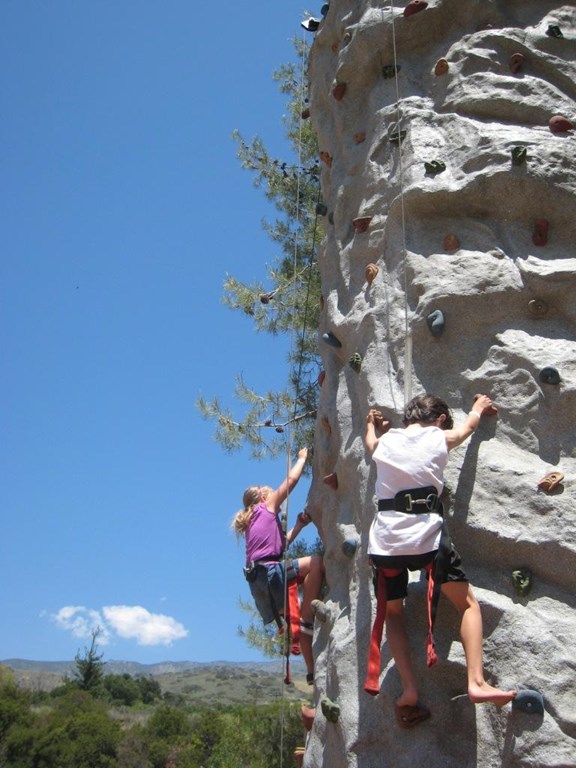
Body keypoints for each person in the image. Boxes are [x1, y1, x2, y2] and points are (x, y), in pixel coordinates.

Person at [364, 394, 516, 727]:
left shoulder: (386, 442)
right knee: (468, 605)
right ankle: (476, 682)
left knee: (393, 613)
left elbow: (370, 442)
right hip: (426, 539)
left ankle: (410, 690)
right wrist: (478, 408)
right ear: (440, 418)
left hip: (386, 542)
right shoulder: (440, 436)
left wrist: (371, 425)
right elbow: (468, 430)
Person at [232, 447, 324, 683]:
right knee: (316, 562)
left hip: (259, 585)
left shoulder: (254, 521)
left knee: (297, 619)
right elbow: (291, 481)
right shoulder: (265, 507)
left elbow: (280, 546)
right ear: (263, 498)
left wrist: (299, 526)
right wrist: (303, 458)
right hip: (269, 572)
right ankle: (308, 615)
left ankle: (311, 671)